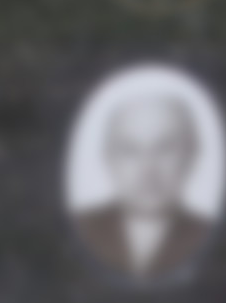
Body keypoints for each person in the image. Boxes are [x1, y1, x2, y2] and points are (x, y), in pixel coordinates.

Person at [73, 71, 214, 282]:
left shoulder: (208, 235)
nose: (148, 170)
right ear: (108, 158)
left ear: (191, 155)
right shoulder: (84, 229)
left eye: (165, 149)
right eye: (130, 150)